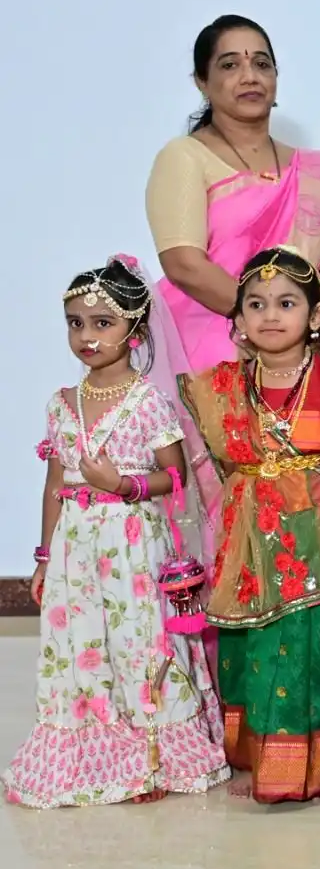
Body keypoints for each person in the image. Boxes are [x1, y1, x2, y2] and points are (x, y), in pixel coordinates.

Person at [5, 259, 229, 808]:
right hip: (75, 550)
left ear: (136, 332)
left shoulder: (147, 401)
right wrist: (41, 557)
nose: (87, 336)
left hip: (132, 544)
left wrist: (122, 483)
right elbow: (55, 482)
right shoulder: (63, 404)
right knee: (81, 649)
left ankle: (151, 755)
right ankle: (90, 755)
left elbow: (174, 477)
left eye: (102, 323)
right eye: (76, 323)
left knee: (138, 645)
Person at [147, 15, 320, 562]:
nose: (249, 75)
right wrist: (258, 318)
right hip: (215, 353)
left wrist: (295, 318)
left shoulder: (313, 170)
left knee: (312, 499)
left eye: (261, 63)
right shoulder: (184, 157)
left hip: (303, 354)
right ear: (202, 81)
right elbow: (184, 262)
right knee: (234, 511)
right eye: (230, 63)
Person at [178, 248, 320, 803]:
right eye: (255, 304)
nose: (270, 315)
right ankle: (257, 754)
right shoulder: (222, 387)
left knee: (309, 641)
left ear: (315, 317)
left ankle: (318, 763)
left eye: (286, 303)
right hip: (253, 536)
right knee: (256, 637)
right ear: (237, 320)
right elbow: (218, 465)